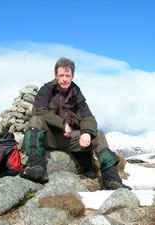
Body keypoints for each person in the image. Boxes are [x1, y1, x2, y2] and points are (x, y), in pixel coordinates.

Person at [20, 57, 131, 190]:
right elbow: (38, 111)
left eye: (68, 75)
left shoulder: (76, 92)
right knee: (35, 120)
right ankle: (36, 166)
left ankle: (111, 179)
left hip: (69, 139)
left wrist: (86, 133)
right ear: (56, 76)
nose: (64, 79)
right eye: (61, 75)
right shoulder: (47, 89)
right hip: (50, 138)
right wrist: (62, 124)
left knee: (99, 134)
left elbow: (88, 117)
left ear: (73, 76)